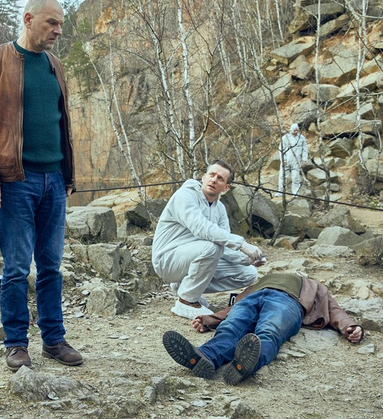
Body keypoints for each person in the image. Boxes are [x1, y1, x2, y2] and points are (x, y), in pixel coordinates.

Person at [0, 0, 82, 372]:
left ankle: (53, 339)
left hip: (54, 179)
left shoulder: (55, 65)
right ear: (29, 19)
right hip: (15, 181)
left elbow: (62, 124)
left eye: (61, 23)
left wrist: (68, 175)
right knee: (17, 268)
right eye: (51, 23)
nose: (58, 31)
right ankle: (16, 343)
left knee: (51, 266)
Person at [162, 272, 364, 385]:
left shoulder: (313, 285)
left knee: (269, 330)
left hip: (288, 302)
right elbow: (233, 309)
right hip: (253, 297)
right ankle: (203, 357)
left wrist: (350, 327)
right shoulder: (264, 279)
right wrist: (210, 319)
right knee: (231, 327)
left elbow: (334, 309)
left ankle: (247, 364)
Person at [151, 160, 265, 320]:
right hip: (167, 260)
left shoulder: (220, 209)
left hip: (192, 258)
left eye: (220, 178)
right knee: (212, 247)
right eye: (211, 175)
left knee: (248, 274)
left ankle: (185, 288)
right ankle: (187, 301)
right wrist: (242, 244)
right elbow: (201, 228)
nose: (214, 180)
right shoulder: (185, 195)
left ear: (226, 188)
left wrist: (248, 259)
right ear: (203, 177)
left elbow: (224, 247)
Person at [278, 123, 309, 196]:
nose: (296, 132)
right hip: (286, 160)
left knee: (295, 177)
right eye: (294, 130)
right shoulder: (285, 137)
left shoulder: (301, 138)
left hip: (296, 161)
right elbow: (281, 149)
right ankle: (281, 191)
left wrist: (304, 160)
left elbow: (305, 149)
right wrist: (283, 159)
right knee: (283, 176)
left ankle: (295, 192)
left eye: (297, 130)